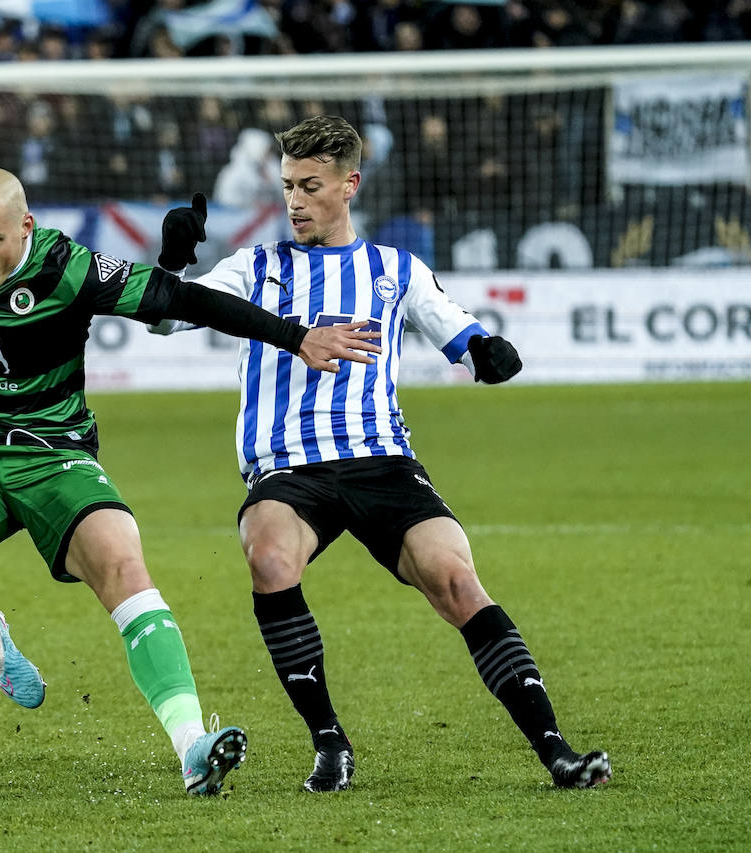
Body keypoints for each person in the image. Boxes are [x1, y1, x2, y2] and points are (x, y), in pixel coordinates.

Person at [0, 84, 380, 796]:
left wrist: (297, 337)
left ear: (26, 227)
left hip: (57, 455)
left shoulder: (70, 268)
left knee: (123, 559)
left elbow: (184, 299)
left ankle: (193, 746)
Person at [150, 115, 611, 792]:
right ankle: (329, 741)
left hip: (383, 460)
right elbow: (164, 315)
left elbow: (460, 330)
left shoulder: (395, 270)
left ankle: (557, 751)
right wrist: (174, 261)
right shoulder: (257, 266)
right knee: (269, 553)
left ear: (349, 185)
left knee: (456, 578)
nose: (295, 201)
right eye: (288, 186)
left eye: (311, 185)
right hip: (289, 467)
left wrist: (488, 352)